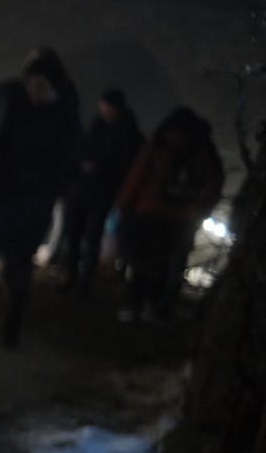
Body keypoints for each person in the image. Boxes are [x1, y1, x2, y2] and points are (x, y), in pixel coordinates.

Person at [0, 49, 81, 347]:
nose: (34, 89)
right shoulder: (7, 94)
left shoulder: (64, 115)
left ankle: (11, 330)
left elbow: (68, 163)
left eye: (41, 85)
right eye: (31, 82)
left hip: (30, 207)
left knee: (18, 270)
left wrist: (46, 192)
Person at [114, 107, 224, 322]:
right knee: (166, 264)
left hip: (149, 212)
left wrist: (123, 204)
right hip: (183, 217)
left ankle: (133, 305)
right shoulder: (202, 150)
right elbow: (212, 185)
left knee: (141, 262)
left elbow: (137, 176)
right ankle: (154, 306)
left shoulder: (157, 145)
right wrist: (201, 211)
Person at [56, 88, 144, 297]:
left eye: (108, 107)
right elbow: (81, 150)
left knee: (93, 238)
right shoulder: (96, 126)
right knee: (74, 233)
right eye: (102, 107)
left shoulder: (129, 133)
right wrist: (76, 171)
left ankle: (84, 282)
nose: (104, 111)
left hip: (103, 192)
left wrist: (101, 168)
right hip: (81, 189)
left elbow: (126, 166)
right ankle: (71, 276)